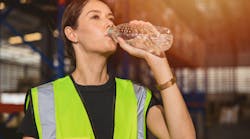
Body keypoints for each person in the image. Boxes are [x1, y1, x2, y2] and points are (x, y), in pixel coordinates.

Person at [18, 0, 196, 138]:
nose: (109, 24)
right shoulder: (43, 99)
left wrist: (159, 62)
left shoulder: (138, 97)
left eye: (110, 18)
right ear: (72, 34)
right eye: (96, 17)